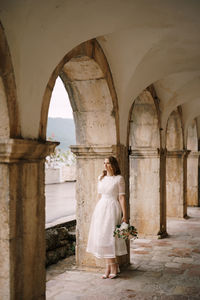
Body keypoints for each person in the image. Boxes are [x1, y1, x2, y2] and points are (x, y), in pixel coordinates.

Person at [86, 156, 128, 279]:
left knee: (109, 237)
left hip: (112, 208)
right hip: (101, 208)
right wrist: (96, 210)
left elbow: (121, 197)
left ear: (113, 165)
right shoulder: (101, 178)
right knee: (101, 237)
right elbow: (99, 195)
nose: (105, 165)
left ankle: (113, 266)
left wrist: (125, 215)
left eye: (107, 163)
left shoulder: (119, 179)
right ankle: (109, 266)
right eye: (104, 163)